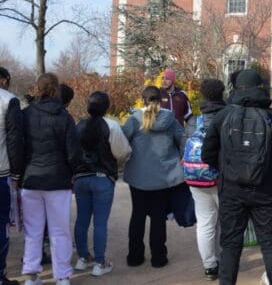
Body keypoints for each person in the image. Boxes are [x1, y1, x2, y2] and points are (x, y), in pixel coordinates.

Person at [201, 69, 272, 285]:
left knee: (230, 244)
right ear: (260, 87)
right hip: (266, 189)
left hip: (232, 189)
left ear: (236, 88)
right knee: (271, 243)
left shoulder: (223, 115)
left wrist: (226, 168)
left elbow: (207, 154)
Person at [21, 73, 80, 285]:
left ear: (38, 88)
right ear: (56, 89)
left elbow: (18, 147)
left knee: (33, 231)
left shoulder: (25, 114)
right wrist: (71, 173)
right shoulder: (64, 117)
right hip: (58, 180)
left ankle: (31, 274)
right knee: (60, 231)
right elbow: (73, 152)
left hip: (31, 179)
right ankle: (62, 276)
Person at [122, 85, 184, 268]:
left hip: (138, 176)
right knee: (158, 217)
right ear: (161, 99)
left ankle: (135, 256)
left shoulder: (134, 119)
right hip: (163, 177)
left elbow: (123, 141)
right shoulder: (170, 119)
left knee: (137, 215)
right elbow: (182, 140)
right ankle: (158, 257)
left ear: (143, 100)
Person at [73, 91, 132, 277]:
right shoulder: (112, 126)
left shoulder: (79, 125)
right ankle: (100, 262)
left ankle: (83, 259)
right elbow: (122, 152)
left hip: (80, 177)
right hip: (102, 178)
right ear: (107, 107)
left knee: (81, 219)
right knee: (100, 222)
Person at [183, 79, 226, 281]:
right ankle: (227, 261)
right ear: (222, 93)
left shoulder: (193, 121)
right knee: (228, 222)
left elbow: (183, 144)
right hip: (222, 178)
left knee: (205, 223)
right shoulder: (228, 116)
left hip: (196, 178)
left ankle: (210, 266)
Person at [0, 67, 23, 285]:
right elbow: (15, 140)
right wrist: (17, 173)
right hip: (1, 172)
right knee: (0, 225)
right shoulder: (9, 101)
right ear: (4, 80)